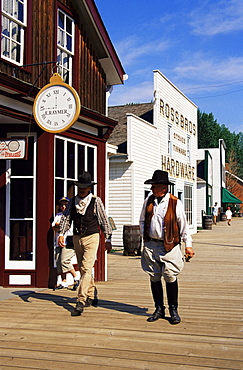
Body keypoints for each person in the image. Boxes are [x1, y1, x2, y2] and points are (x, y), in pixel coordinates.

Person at [139, 170, 195, 324]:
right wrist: (144, 240)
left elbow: (183, 225)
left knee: (170, 276)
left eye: (154, 186)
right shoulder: (149, 201)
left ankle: (173, 309)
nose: (151, 189)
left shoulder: (175, 202)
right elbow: (142, 221)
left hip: (169, 245)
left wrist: (188, 245)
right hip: (151, 244)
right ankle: (159, 308)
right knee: (154, 276)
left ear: (163, 188)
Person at [58, 171, 112, 316]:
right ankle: (91, 292)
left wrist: (108, 239)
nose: (81, 190)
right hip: (77, 237)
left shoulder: (96, 201)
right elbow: (66, 219)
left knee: (87, 268)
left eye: (84, 188)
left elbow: (103, 220)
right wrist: (61, 234)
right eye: (79, 188)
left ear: (89, 188)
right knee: (83, 268)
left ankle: (80, 300)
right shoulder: (72, 202)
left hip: (92, 237)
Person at [52, 197, 79, 291]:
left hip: (69, 241)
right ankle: (63, 282)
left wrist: (59, 226)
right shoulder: (58, 215)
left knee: (64, 261)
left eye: (65, 205)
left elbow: (66, 226)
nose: (63, 207)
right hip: (58, 241)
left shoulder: (72, 215)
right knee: (59, 262)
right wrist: (58, 226)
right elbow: (54, 227)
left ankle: (76, 278)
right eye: (61, 205)